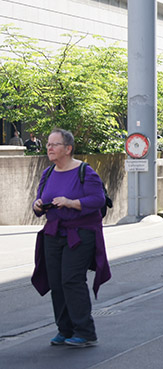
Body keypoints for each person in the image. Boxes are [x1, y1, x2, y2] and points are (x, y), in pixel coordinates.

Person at [30, 128, 110, 348]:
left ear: (68, 148)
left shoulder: (85, 171)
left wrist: (70, 202)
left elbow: (97, 199)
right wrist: (38, 205)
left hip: (80, 233)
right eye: (48, 144)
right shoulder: (47, 173)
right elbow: (40, 201)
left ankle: (85, 332)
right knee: (56, 282)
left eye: (54, 144)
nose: (49, 148)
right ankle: (64, 330)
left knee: (72, 279)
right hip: (53, 233)